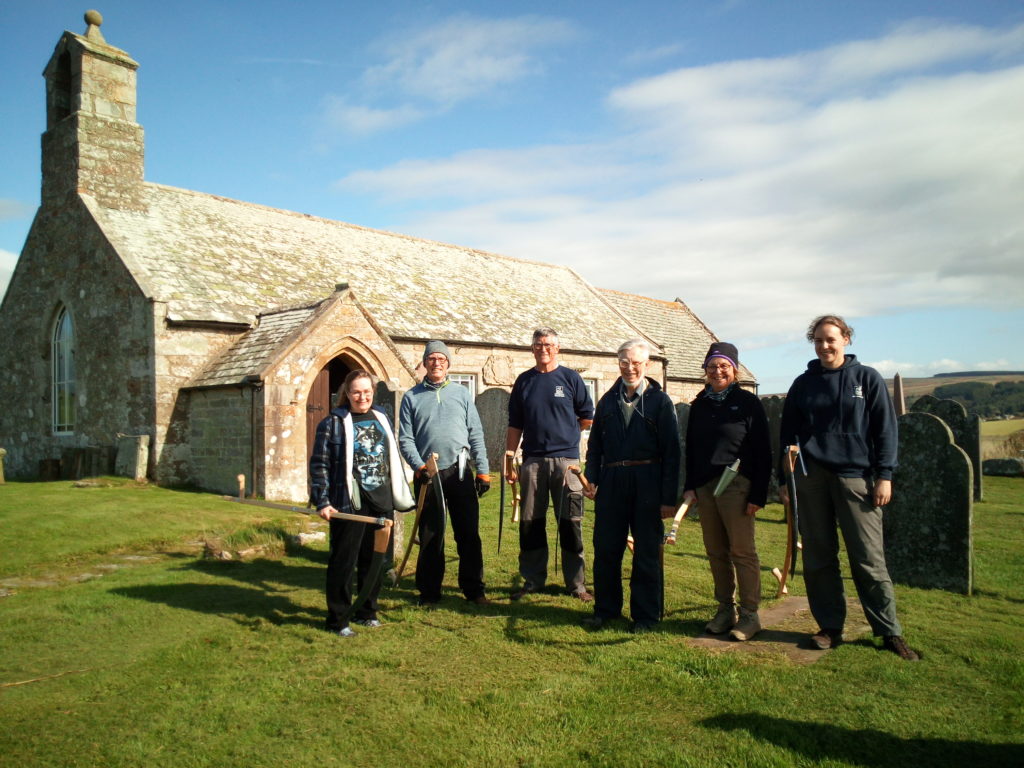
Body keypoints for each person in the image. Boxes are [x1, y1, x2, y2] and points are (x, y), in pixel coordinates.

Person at [780, 315, 919, 661]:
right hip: (812, 478)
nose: (825, 346)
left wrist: (884, 475)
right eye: (819, 340)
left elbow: (885, 430)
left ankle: (889, 631)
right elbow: (786, 436)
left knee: (868, 559)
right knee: (819, 557)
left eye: (831, 339)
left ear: (846, 340)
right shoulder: (803, 384)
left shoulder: (866, 379)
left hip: (856, 478)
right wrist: (785, 479)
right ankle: (830, 627)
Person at [582, 339, 680, 632]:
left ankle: (646, 616)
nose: (630, 368)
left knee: (647, 551)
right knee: (606, 548)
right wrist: (593, 479)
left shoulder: (660, 402)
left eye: (636, 363)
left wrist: (667, 498)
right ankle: (606, 610)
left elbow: (672, 452)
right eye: (624, 362)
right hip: (612, 482)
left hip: (648, 482)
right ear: (618, 363)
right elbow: (596, 447)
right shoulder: (607, 401)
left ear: (646, 365)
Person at [310, 370, 416, 637]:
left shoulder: (380, 416)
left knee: (375, 560)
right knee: (343, 562)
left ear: (373, 391)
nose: (362, 397)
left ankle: (367, 611)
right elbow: (319, 465)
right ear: (347, 393)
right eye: (356, 392)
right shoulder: (332, 423)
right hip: (349, 503)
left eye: (367, 391)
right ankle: (338, 619)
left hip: (381, 499)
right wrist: (322, 501)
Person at [682, 342, 771, 641]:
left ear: (734, 369)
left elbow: (762, 451)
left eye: (723, 366)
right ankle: (725, 610)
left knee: (742, 552)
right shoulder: (700, 404)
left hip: (737, 486)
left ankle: (749, 615)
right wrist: (690, 486)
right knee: (715, 551)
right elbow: (692, 449)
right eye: (712, 366)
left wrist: (758, 494)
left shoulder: (748, 403)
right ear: (705, 370)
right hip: (707, 487)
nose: (717, 371)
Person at [398, 341, 492, 607]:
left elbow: (475, 433)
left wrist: (483, 471)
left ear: (448, 363)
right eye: (431, 358)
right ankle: (429, 592)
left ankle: (474, 590)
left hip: (460, 471)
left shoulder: (461, 395)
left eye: (441, 358)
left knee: (468, 534)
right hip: (428, 475)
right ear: (425, 363)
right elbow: (405, 438)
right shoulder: (411, 397)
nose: (436, 362)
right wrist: (419, 467)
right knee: (431, 534)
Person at [506, 328, 595, 602]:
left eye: (548, 344)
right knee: (531, 522)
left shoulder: (570, 379)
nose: (543, 348)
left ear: (558, 348)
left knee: (571, 521)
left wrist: (566, 437)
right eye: (538, 344)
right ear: (532, 349)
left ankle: (576, 584)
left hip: (568, 464)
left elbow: (587, 418)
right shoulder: (524, 381)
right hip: (532, 461)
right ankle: (533, 579)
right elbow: (515, 424)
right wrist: (509, 458)